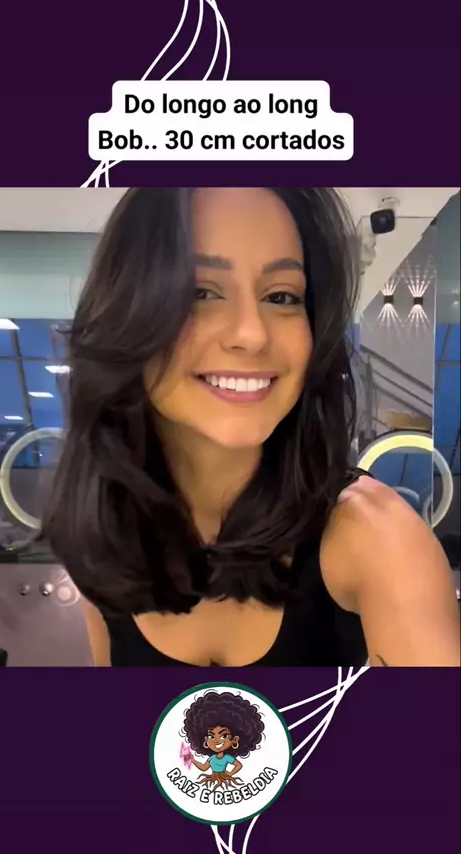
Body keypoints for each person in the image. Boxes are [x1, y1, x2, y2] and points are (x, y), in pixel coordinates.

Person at [43, 187, 460, 667]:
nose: (252, 334)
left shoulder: (380, 540)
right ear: (126, 314)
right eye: (201, 292)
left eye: (282, 296)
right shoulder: (103, 536)